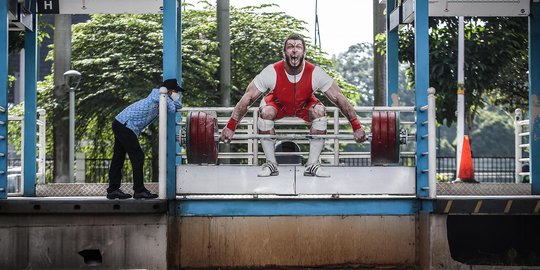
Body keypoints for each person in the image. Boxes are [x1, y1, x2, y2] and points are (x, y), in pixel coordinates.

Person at [220, 34, 367, 177]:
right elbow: (249, 97)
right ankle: (271, 164)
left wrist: (357, 126)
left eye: (298, 47)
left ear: (304, 52)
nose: (294, 50)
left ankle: (312, 165)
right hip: (278, 105)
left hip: (303, 105)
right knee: (265, 113)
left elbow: (338, 98)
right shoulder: (271, 72)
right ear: (284, 52)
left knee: (320, 111)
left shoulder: (315, 73)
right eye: (290, 47)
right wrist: (231, 126)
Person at [107, 79, 182, 199]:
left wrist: (174, 99)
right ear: (169, 91)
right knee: (138, 156)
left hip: (121, 123)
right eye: (176, 91)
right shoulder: (159, 95)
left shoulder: (162, 96)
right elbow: (173, 109)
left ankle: (113, 190)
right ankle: (139, 190)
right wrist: (174, 99)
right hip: (125, 125)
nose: (177, 93)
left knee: (118, 156)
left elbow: (177, 106)